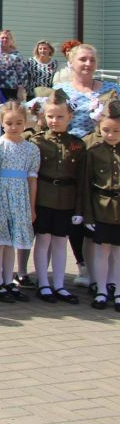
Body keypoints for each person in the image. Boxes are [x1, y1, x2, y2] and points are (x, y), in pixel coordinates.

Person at [30, 92, 85, 303]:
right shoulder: (37, 141)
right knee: (43, 240)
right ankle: (43, 283)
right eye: (50, 116)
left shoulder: (78, 145)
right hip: (43, 197)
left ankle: (60, 285)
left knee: (61, 242)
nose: (54, 120)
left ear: (70, 117)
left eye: (60, 116)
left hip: (66, 199)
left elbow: (80, 179)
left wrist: (79, 209)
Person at [0, 102, 37, 302]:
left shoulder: (31, 149)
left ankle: (9, 281)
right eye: (9, 123)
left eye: (19, 123)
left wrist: (31, 207)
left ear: (25, 123)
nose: (14, 127)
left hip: (20, 198)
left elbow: (32, 180)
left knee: (11, 243)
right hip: (1, 197)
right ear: (1, 122)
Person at [82, 102, 120, 311]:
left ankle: (118, 291)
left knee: (118, 253)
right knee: (101, 251)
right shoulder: (94, 152)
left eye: (116, 130)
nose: (111, 135)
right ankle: (101, 290)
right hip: (101, 209)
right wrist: (88, 216)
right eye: (106, 130)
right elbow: (86, 186)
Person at [59, 43, 120, 138]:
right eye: (83, 59)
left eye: (92, 60)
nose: (88, 63)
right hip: (71, 144)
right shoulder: (60, 90)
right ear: (71, 62)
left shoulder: (112, 89)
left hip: (104, 144)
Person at [0, 30, 31, 102]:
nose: (4, 39)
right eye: (2, 38)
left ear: (11, 41)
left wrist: (20, 90)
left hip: (11, 89)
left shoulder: (16, 55)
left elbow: (22, 74)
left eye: (7, 38)